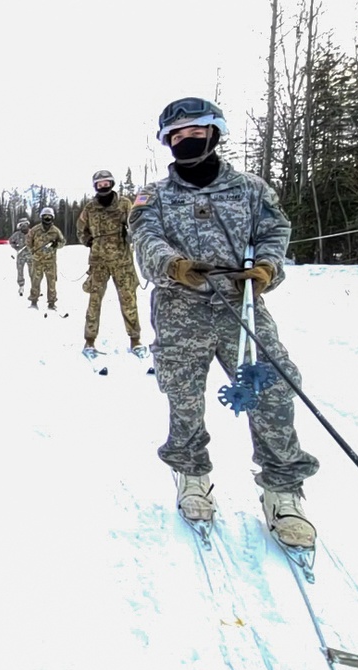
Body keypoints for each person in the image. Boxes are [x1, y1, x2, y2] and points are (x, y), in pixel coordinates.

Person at [129, 96, 319, 550]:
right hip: (180, 308)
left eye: (194, 132)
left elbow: (275, 232)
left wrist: (268, 268)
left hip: (242, 304)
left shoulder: (251, 189)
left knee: (271, 391)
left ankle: (282, 492)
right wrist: (173, 265)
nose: (185, 141)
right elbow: (144, 237)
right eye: (175, 136)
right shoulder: (152, 197)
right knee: (184, 395)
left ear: (214, 133)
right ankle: (192, 475)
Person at [77, 170, 146, 356]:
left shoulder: (124, 204)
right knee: (94, 301)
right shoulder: (90, 208)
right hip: (98, 263)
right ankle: (89, 342)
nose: (103, 186)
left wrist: (129, 233)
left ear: (112, 183)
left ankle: (135, 340)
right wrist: (89, 241)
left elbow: (135, 225)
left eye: (106, 183)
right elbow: (80, 229)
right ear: (95, 186)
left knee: (129, 300)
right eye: (99, 184)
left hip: (122, 262)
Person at [26, 206, 66, 310]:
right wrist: (33, 252)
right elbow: (28, 242)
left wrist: (56, 244)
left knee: (51, 283)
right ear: (41, 217)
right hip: (37, 261)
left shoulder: (56, 231)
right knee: (35, 282)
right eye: (45, 216)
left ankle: (51, 303)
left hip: (50, 262)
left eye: (49, 216)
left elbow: (63, 242)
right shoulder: (35, 230)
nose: (47, 218)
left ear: (52, 217)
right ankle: (34, 302)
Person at [9, 218, 32, 296]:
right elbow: (11, 241)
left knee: (33, 272)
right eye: (22, 225)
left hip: (31, 256)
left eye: (25, 225)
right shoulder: (17, 234)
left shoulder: (33, 233)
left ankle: (35, 287)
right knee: (20, 271)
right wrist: (16, 247)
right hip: (20, 256)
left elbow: (38, 241)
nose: (24, 227)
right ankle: (21, 286)